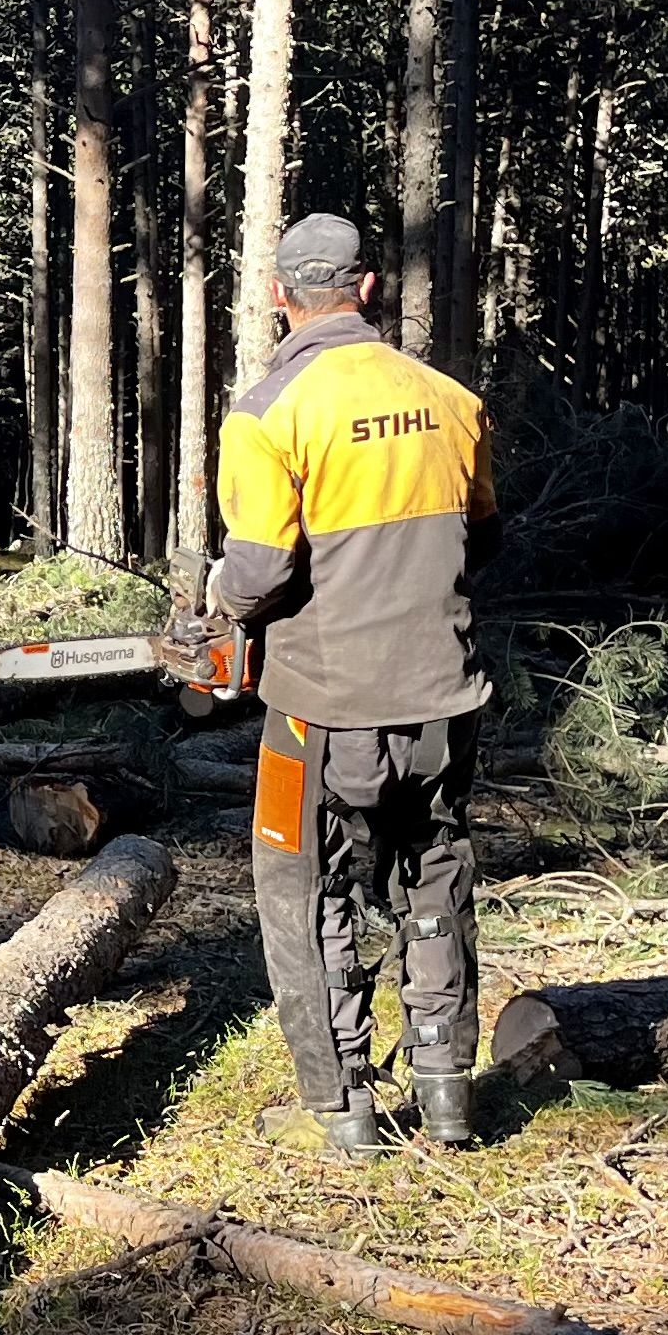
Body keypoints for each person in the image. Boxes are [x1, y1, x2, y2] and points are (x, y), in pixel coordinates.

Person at [209, 214, 500, 1151]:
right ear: (368, 287)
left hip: (323, 708)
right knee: (437, 878)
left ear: (279, 295)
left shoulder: (267, 412)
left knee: (306, 891)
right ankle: (448, 1087)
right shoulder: (453, 400)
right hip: (445, 699)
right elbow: (482, 537)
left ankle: (343, 1108)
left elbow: (253, 576)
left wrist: (211, 600)